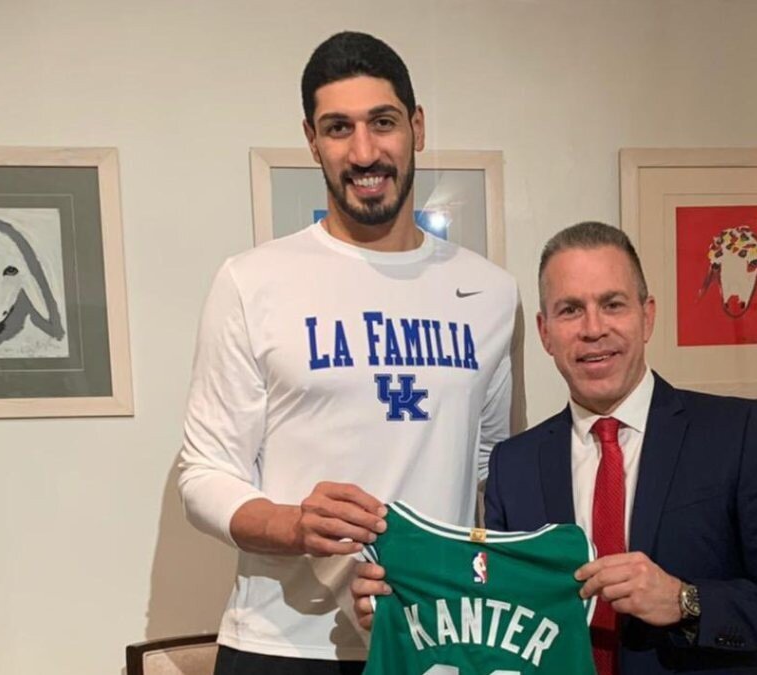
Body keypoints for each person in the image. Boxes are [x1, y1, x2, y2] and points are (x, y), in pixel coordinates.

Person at [178, 31, 518, 675]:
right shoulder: (252, 281)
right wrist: (293, 524)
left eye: (382, 122)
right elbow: (203, 475)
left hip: (436, 639)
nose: (364, 152)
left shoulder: (492, 293)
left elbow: (490, 473)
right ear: (312, 140)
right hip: (284, 644)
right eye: (339, 128)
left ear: (417, 127)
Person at [354, 222, 757, 675]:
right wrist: (409, 612)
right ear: (545, 332)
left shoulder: (734, 433)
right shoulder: (514, 465)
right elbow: (496, 616)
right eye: (570, 310)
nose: (593, 328)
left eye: (613, 304)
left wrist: (685, 600)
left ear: (647, 316)